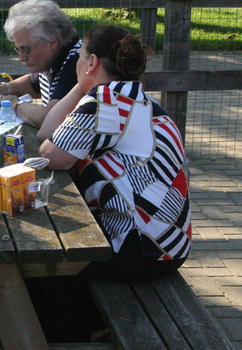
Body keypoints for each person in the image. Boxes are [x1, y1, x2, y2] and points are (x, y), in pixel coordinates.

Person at [39, 24, 191, 280]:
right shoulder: (136, 98)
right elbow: (48, 136)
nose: (77, 64)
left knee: (47, 263)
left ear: (92, 62)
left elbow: (50, 155)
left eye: (80, 59)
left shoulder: (105, 100)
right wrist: (83, 84)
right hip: (167, 247)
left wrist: (82, 84)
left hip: (140, 249)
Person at [0, 0, 81, 129]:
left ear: (52, 41)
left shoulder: (77, 64)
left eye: (26, 49)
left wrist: (14, 103)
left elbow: (48, 119)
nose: (21, 58)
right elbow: (33, 83)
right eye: (19, 50)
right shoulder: (53, 60)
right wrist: (3, 88)